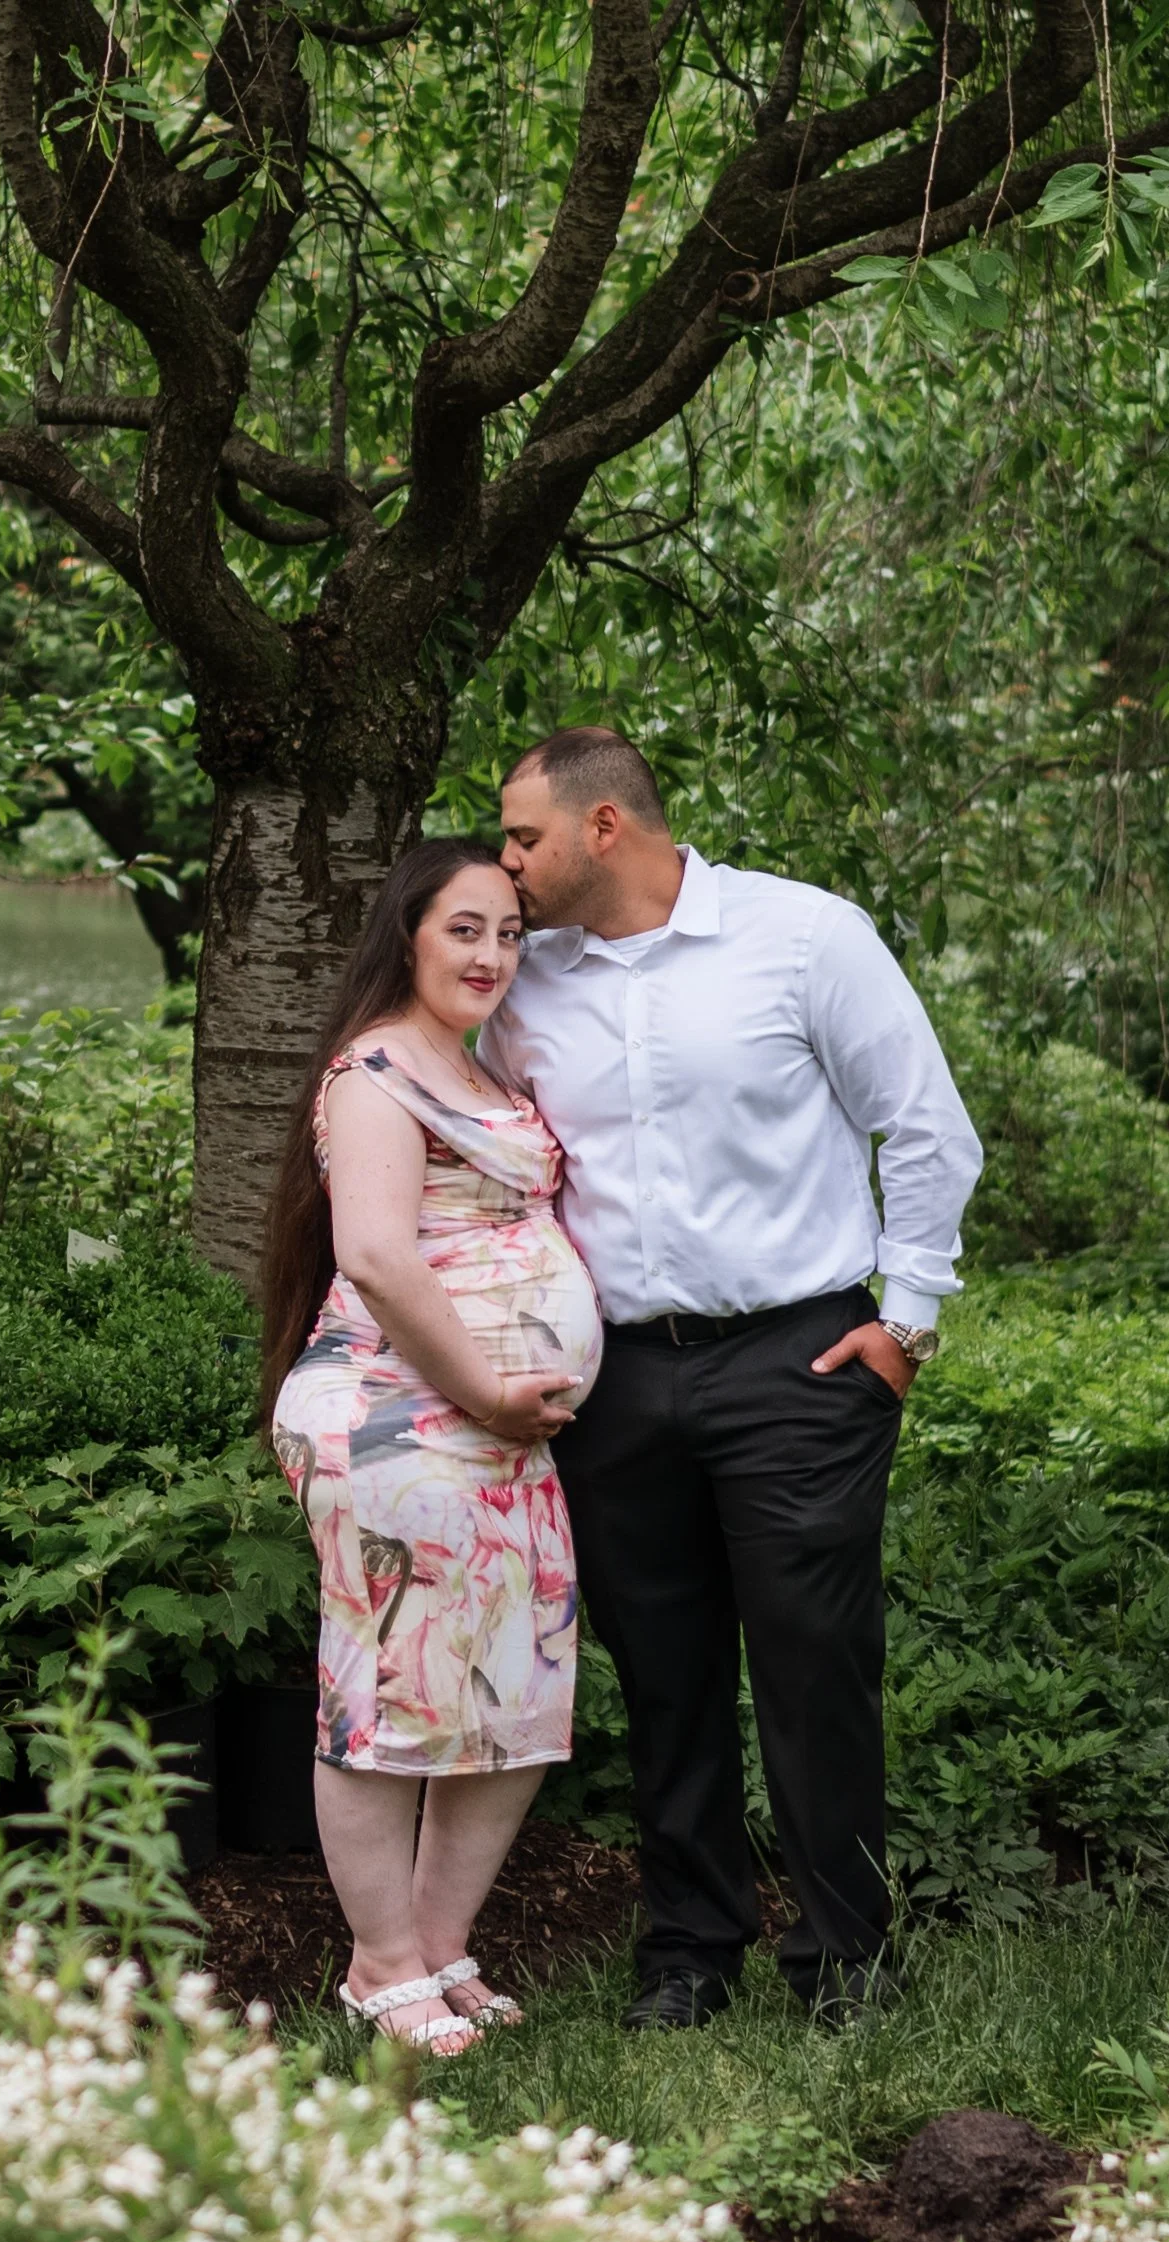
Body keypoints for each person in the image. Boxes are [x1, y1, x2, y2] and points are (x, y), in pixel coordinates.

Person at [478, 727, 984, 2029]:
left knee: (816, 1665)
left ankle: (844, 1964)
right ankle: (688, 1953)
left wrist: (905, 1322)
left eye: (521, 835)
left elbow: (923, 1125)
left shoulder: (800, 937)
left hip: (797, 1360)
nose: (504, 862)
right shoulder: (522, 984)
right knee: (663, 1666)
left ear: (604, 828)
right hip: (614, 1381)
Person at [259, 836, 602, 2054]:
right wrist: (488, 1392)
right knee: (391, 1678)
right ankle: (379, 1962)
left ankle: (442, 1941)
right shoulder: (373, 1075)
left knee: (514, 1676)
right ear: (407, 930)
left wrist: (515, 1403)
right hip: (397, 1415)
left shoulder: (483, 1078)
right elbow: (377, 1256)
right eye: (466, 928)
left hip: (500, 1433)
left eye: (510, 932)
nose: (494, 954)